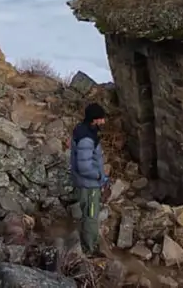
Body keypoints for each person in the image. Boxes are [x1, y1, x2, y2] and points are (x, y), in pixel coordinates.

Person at [70, 103, 110, 256]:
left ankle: (89, 244)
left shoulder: (84, 130)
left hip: (86, 183)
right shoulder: (86, 139)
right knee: (91, 216)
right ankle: (89, 250)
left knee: (88, 214)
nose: (103, 122)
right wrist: (100, 176)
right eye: (101, 119)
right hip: (89, 185)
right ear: (94, 119)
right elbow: (85, 167)